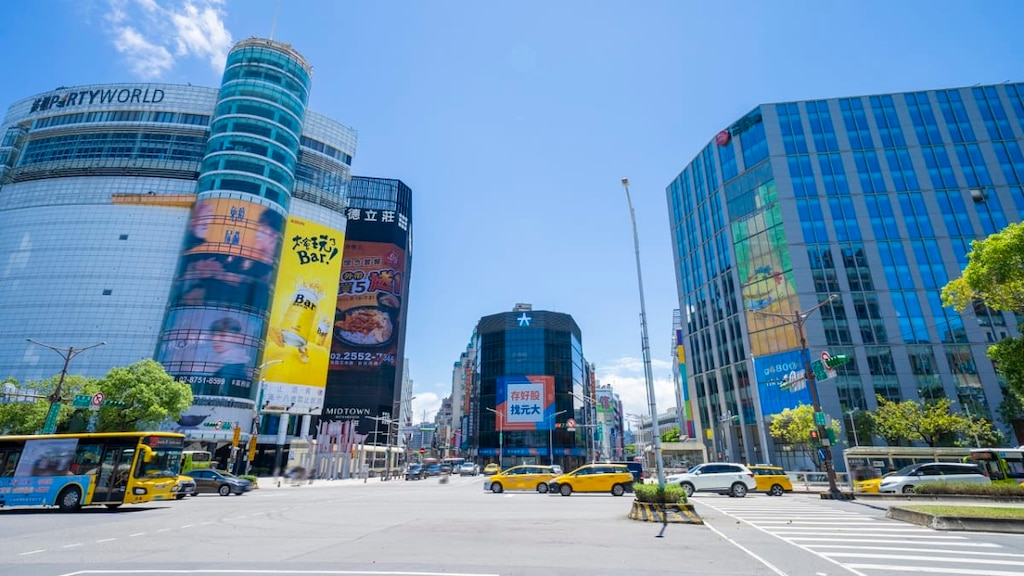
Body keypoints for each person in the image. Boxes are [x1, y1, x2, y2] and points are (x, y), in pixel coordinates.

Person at [208, 316, 250, 395]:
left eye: (222, 335)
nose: (215, 339)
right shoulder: (224, 364)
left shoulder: (233, 369)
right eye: (213, 335)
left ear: (236, 338)